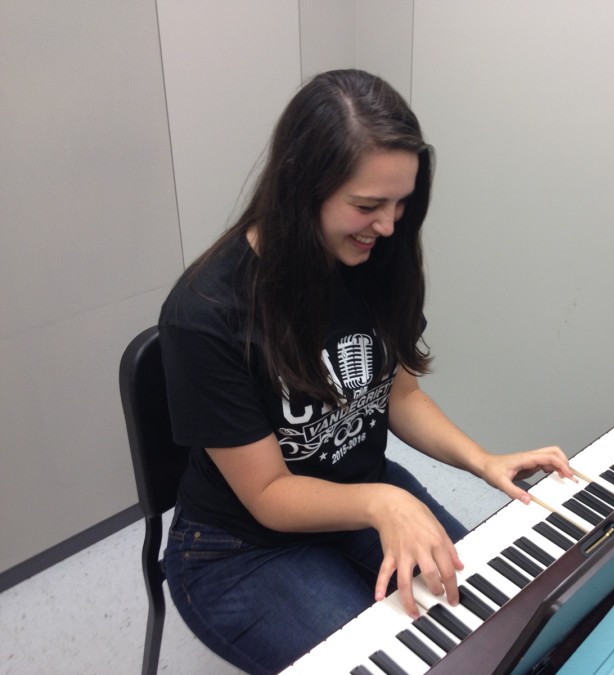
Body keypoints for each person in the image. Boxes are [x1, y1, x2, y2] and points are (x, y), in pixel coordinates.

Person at [158, 69, 572, 674]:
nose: (388, 225)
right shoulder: (206, 312)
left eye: (401, 204)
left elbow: (397, 392)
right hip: (240, 547)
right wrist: (383, 502)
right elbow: (270, 496)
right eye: (368, 205)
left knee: (503, 628)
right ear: (300, 188)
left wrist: (482, 460)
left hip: (361, 491)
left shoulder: (367, 258)